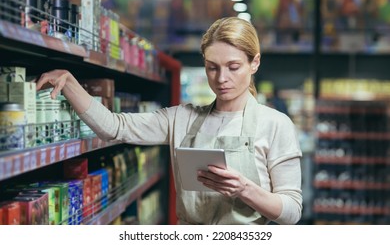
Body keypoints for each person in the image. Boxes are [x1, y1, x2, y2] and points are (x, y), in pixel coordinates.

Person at [35, 17, 303, 225]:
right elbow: (114, 127)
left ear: (254, 63)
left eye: (233, 67)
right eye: (212, 67)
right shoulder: (182, 118)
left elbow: (291, 211)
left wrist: (245, 189)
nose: (221, 78)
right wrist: (70, 83)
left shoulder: (276, 125)